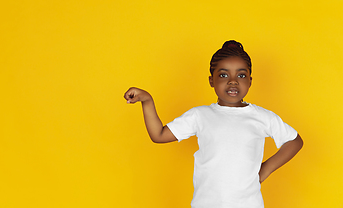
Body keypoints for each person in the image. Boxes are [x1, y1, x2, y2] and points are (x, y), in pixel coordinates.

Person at [124, 40, 303, 208]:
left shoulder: (262, 117)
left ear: (250, 81)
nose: (233, 81)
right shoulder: (200, 115)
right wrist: (147, 100)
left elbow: (294, 141)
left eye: (241, 75)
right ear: (211, 80)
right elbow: (159, 135)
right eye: (224, 74)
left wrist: (265, 170)